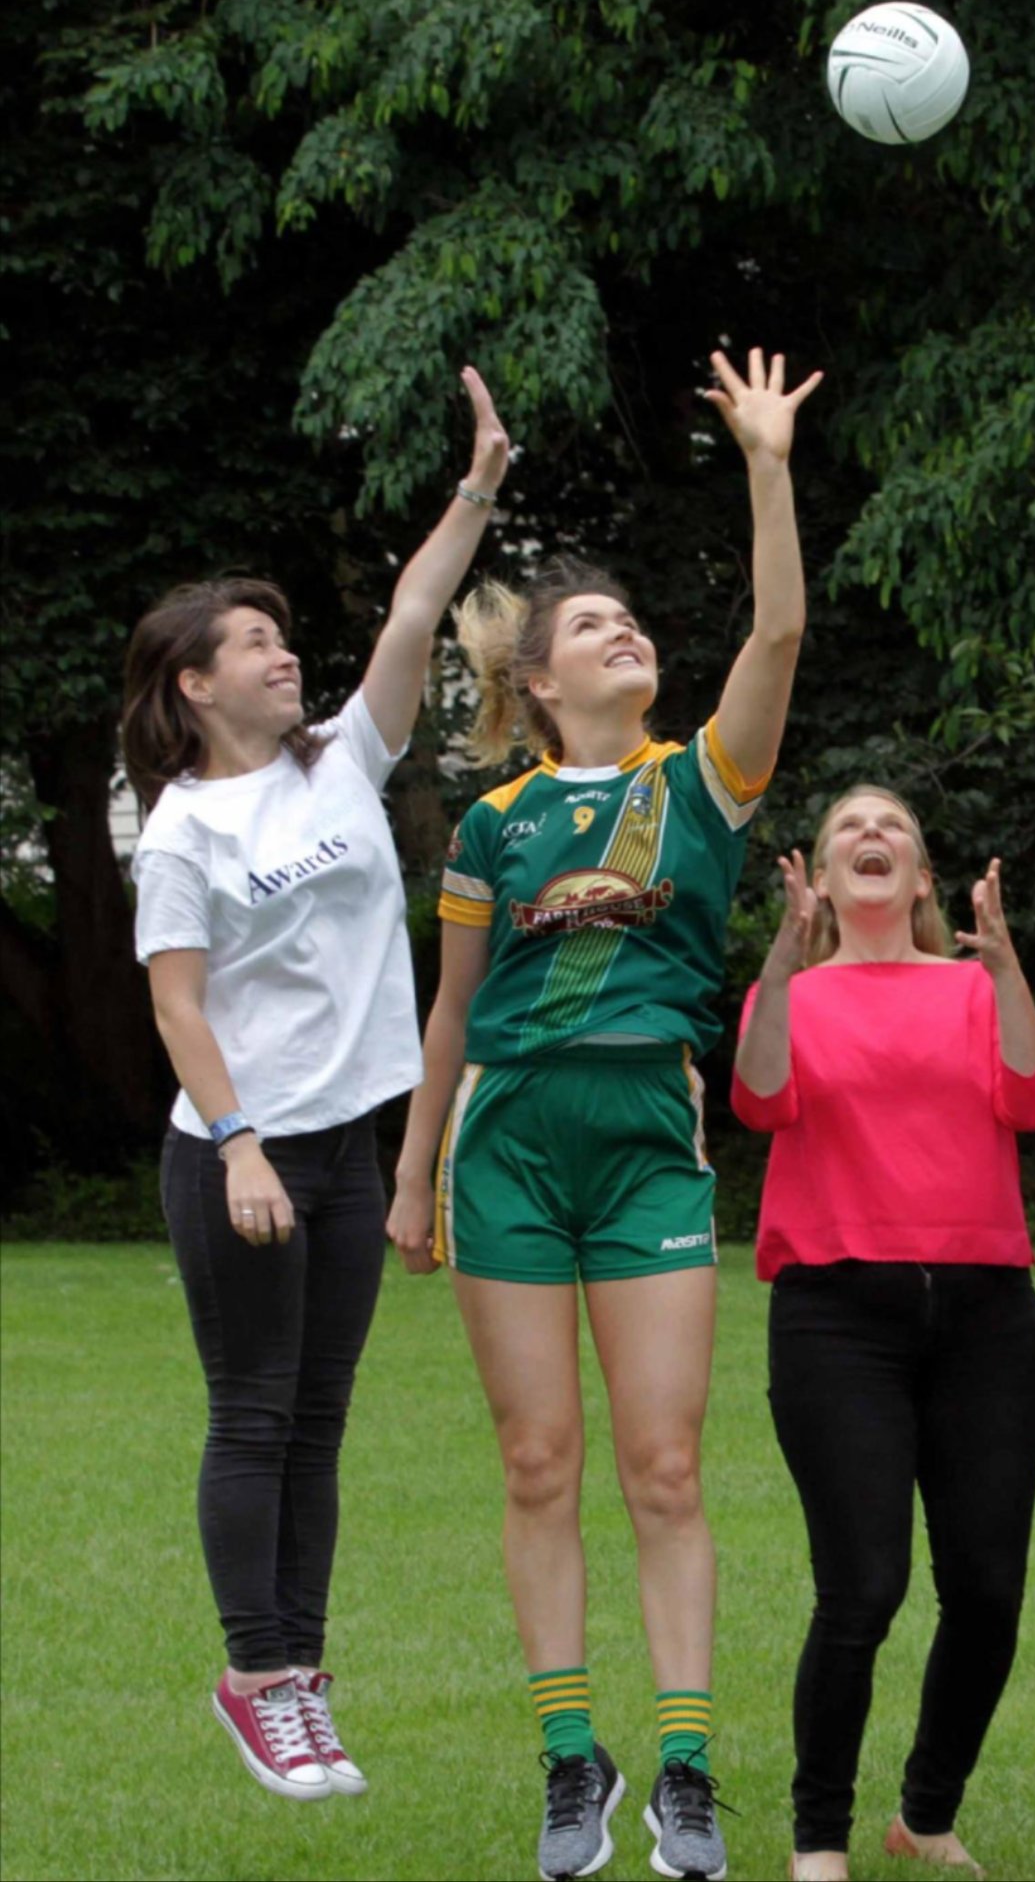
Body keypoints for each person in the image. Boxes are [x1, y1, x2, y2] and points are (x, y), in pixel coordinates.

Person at [386, 348, 820, 1882]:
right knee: (536, 1464)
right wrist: (411, 1173)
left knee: (665, 1467)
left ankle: (686, 1775)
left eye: (631, 619)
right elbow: (450, 1016)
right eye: (589, 625)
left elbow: (776, 626)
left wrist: (765, 457)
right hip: (505, 1146)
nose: (621, 630)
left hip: (645, 1136)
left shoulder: (700, 783)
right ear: (535, 682)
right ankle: (574, 1759)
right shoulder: (491, 825)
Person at [124, 370, 511, 1800]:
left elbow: (412, 614)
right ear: (192, 683)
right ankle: (261, 1678)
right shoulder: (183, 827)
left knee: (323, 1419)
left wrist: (475, 484)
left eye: (285, 637)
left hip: (346, 1148)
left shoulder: (343, 760)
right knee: (255, 1412)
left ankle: (300, 1678)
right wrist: (235, 1147)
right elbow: (175, 1004)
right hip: (239, 1150)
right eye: (251, 644)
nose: (283, 655)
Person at [733, 790, 1035, 1882]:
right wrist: (780, 970)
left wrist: (1008, 967)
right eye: (845, 831)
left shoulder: (977, 986)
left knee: (986, 1590)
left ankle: (925, 1811)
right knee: (862, 1588)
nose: (870, 836)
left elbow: (1031, 1098)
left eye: (894, 830)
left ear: (921, 879)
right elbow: (760, 1101)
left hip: (985, 1317)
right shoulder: (786, 993)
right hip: (836, 1315)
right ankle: (817, 1836)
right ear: (819, 879)